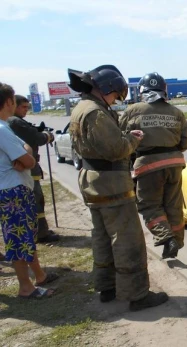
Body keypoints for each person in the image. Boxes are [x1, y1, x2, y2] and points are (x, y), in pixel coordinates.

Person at [67, 65, 168, 311]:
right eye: (114, 95)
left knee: (102, 237)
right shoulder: (96, 112)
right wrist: (133, 139)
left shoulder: (82, 107)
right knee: (128, 240)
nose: (114, 100)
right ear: (106, 88)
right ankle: (138, 295)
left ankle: (107, 287)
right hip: (111, 184)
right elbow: (116, 149)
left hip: (93, 182)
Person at [119, 72, 187, 259]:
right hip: (174, 164)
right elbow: (186, 141)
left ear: (142, 90)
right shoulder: (176, 112)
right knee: (173, 205)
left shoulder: (133, 110)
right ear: (164, 90)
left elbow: (121, 138)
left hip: (148, 165)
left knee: (149, 205)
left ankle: (167, 238)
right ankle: (176, 240)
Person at [0, 81, 59, 298]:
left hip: (12, 188)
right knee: (18, 239)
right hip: (12, 191)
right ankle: (26, 287)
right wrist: (26, 158)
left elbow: (25, 150)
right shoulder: (2, 130)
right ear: (8, 101)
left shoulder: (5, 126)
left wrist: (25, 157)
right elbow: (29, 158)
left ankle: (39, 275)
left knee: (26, 236)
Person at [7, 95, 60, 243]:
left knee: (37, 199)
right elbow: (36, 138)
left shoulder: (14, 122)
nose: (26, 110)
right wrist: (47, 136)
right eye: (23, 107)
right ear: (13, 106)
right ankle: (40, 233)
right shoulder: (15, 122)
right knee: (36, 199)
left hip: (27, 166)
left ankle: (40, 230)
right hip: (27, 168)